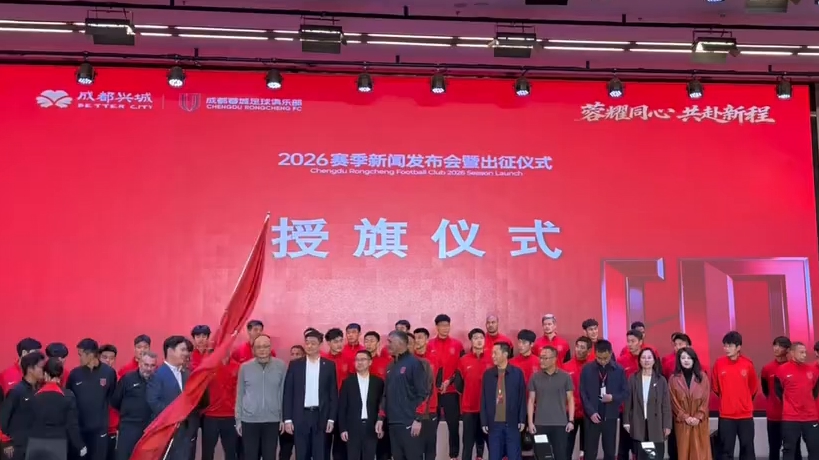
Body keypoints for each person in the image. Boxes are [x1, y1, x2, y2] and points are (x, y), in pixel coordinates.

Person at [283, 329, 338, 460]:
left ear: (320, 344)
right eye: (307, 343)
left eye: (313, 343)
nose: (309, 346)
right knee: (302, 454)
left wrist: (331, 419)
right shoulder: (295, 365)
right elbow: (288, 393)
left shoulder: (328, 365)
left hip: (321, 416)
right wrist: (287, 419)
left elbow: (333, 394)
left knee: (320, 454)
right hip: (300, 416)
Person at [146, 335, 203, 460]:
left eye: (186, 350)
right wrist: (175, 415)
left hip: (186, 433)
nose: (186, 353)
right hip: (167, 431)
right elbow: (153, 402)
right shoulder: (157, 375)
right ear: (170, 351)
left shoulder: (188, 374)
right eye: (182, 350)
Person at [375, 330, 429, 460]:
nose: (387, 345)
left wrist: (418, 419)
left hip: (410, 422)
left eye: (390, 342)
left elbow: (423, 393)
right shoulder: (390, 367)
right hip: (393, 423)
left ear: (400, 343)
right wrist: (380, 419)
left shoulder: (414, 364)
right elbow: (385, 395)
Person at [236, 334, 286, 460]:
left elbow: (283, 393)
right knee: (250, 456)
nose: (262, 350)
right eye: (259, 347)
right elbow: (240, 394)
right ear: (253, 350)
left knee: (270, 456)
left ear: (270, 348)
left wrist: (282, 418)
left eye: (265, 346)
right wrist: (238, 420)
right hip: (249, 420)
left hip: (272, 420)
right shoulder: (245, 367)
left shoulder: (281, 366)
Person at [66, 339, 117, 460]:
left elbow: (112, 397)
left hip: (100, 431)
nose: (79, 358)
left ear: (90, 354)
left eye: (81, 354)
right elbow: (69, 399)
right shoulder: (74, 374)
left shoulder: (109, 373)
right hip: (80, 431)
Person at [26, 357, 86, 460]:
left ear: (45, 374)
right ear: (61, 375)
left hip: (35, 443)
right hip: (58, 444)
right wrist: (80, 445)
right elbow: (72, 425)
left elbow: (26, 422)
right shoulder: (68, 395)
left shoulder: (33, 395)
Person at [711, 331, 757, 460]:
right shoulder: (719, 363)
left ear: (738, 347)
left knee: (748, 451)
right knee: (725, 451)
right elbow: (715, 387)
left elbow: (753, 388)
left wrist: (743, 402)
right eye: (725, 345)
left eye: (730, 346)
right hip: (726, 416)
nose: (726, 349)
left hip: (745, 415)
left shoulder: (747, 364)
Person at [579, 340, 628, 460]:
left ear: (610, 353)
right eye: (599, 358)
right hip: (592, 417)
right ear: (595, 354)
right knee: (590, 453)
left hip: (610, 416)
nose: (602, 361)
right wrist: (591, 412)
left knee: (610, 452)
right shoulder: (587, 369)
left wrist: (613, 397)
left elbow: (625, 392)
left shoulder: (619, 370)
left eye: (605, 358)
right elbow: (583, 393)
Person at [526, 346, 575, 460]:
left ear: (554, 359)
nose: (541, 361)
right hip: (540, 425)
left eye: (545, 358)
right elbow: (531, 400)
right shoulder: (535, 377)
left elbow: (570, 399)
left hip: (560, 425)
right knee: (542, 456)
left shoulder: (565, 377)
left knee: (561, 455)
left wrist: (571, 420)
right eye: (540, 358)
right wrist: (530, 423)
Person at [622, 349, 671, 460]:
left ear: (654, 360)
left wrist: (667, 425)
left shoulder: (661, 380)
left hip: (656, 424)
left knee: (655, 456)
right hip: (639, 423)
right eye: (643, 357)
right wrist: (626, 422)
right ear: (639, 360)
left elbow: (666, 405)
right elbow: (628, 402)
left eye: (649, 357)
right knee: (641, 455)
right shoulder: (633, 379)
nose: (646, 360)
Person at [427, 314, 464, 460]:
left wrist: (449, 381)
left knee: (453, 426)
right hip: (433, 393)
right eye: (442, 325)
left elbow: (460, 367)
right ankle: (430, 455)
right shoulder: (429, 345)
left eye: (447, 325)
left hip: (451, 391)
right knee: (431, 427)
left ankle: (453, 456)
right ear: (436, 327)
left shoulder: (457, 345)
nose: (445, 328)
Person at [481, 342, 526, 460]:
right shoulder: (488, 375)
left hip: (512, 423)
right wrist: (484, 421)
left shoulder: (517, 373)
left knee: (514, 456)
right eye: (492, 353)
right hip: (494, 424)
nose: (492, 356)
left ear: (505, 354)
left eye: (495, 353)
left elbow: (522, 398)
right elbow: (484, 399)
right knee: (494, 456)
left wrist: (522, 419)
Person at [774, 341, 819, 460]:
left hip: (810, 417)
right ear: (792, 353)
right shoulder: (782, 370)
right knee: (789, 450)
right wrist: (789, 404)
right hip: (790, 418)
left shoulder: (812, 371)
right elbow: (778, 391)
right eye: (801, 352)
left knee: (815, 450)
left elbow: (815, 392)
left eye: (805, 352)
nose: (804, 355)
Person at [454, 328, 494, 460]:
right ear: (471, 341)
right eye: (475, 338)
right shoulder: (463, 360)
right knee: (468, 443)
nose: (479, 340)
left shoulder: (492, 359)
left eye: (481, 338)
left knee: (492, 443)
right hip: (469, 408)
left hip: (488, 409)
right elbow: (458, 385)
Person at [339, 350, 384, 460]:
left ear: (370, 362)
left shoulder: (378, 382)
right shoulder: (348, 382)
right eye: (357, 360)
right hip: (352, 427)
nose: (359, 362)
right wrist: (343, 429)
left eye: (363, 359)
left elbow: (382, 406)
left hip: (372, 427)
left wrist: (382, 426)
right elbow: (342, 407)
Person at [111, 351, 157, 460]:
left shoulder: (158, 381)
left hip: (150, 429)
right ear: (140, 363)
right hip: (129, 427)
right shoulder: (127, 379)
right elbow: (115, 401)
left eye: (152, 365)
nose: (149, 368)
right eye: (146, 365)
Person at [0, 351, 45, 460]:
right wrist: (6, 443)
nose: (43, 371)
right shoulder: (16, 392)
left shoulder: (41, 391)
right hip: (17, 448)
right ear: (30, 369)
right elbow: (3, 419)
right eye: (40, 367)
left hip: (35, 446)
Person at [668, 347, 711, 460]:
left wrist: (698, 416)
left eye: (689, 358)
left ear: (694, 360)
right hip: (682, 422)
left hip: (699, 422)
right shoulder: (673, 379)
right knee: (683, 452)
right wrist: (685, 417)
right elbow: (673, 401)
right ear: (679, 360)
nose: (686, 360)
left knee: (700, 453)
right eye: (683, 358)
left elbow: (706, 399)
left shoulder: (703, 377)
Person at [763, 336, 796, 460]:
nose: (776, 348)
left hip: (792, 417)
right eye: (775, 345)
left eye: (780, 346)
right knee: (774, 448)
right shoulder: (767, 368)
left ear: (788, 349)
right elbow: (766, 390)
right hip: (774, 416)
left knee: (793, 449)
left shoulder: (794, 367)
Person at [562, 336, 592, 460]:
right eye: (577, 346)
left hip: (588, 413)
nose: (579, 350)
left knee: (587, 449)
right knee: (566, 447)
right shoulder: (565, 367)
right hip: (570, 413)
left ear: (589, 351)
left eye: (582, 347)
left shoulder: (592, 368)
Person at [616, 329, 644, 460]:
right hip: (625, 409)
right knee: (623, 445)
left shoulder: (647, 360)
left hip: (643, 409)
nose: (630, 344)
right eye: (628, 341)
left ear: (640, 342)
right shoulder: (621, 361)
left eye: (633, 341)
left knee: (640, 445)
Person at [321, 327, 349, 460]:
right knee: (323, 445)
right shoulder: (322, 360)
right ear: (328, 343)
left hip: (343, 407)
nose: (339, 344)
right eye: (335, 341)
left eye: (341, 341)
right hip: (326, 407)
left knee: (341, 446)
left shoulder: (349, 360)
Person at [279, 345, 305, 460]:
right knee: (285, 451)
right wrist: (284, 419)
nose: (294, 356)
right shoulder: (285, 372)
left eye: (297, 354)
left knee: (303, 452)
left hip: (303, 420)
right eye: (292, 354)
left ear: (304, 355)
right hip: (287, 420)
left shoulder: (309, 373)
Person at [98, 344, 119, 460]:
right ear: (98, 357)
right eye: (105, 357)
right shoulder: (91, 377)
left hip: (111, 428)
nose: (108, 361)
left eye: (111, 358)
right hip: (95, 429)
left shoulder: (117, 378)